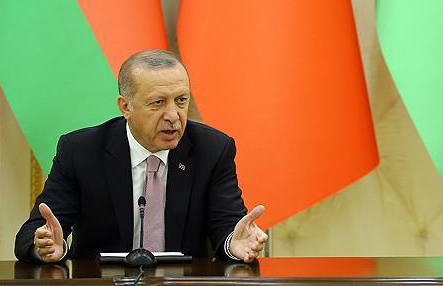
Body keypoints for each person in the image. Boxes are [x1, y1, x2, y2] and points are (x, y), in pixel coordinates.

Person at [15, 50, 267, 263]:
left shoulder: (212, 150)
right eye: (158, 103)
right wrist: (48, 248)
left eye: (181, 100)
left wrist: (233, 244)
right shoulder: (81, 151)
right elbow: (34, 232)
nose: (173, 115)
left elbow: (227, 226)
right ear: (126, 107)